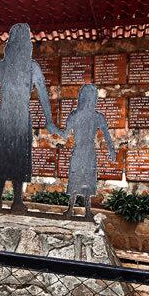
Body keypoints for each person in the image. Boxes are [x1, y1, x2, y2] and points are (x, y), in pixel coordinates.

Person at [0, 23, 59, 213]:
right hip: (12, 117)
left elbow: (43, 94)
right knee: (6, 157)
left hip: (16, 117)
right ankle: (7, 200)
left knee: (15, 157)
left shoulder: (28, 66)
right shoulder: (12, 65)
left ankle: (13, 201)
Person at [59, 84, 115, 220]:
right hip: (85, 151)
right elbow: (107, 136)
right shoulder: (95, 116)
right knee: (81, 179)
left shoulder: (77, 115)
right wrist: (111, 150)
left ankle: (75, 210)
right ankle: (80, 210)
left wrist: (57, 131)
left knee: (82, 178)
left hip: (82, 151)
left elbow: (65, 135)